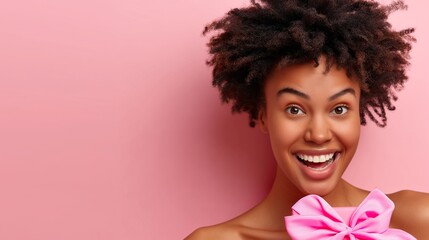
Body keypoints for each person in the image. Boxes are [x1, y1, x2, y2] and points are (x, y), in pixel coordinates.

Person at [186, 0, 429, 239]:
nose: (319, 134)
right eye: (294, 110)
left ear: (359, 110)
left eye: (340, 109)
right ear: (263, 114)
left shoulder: (418, 219)